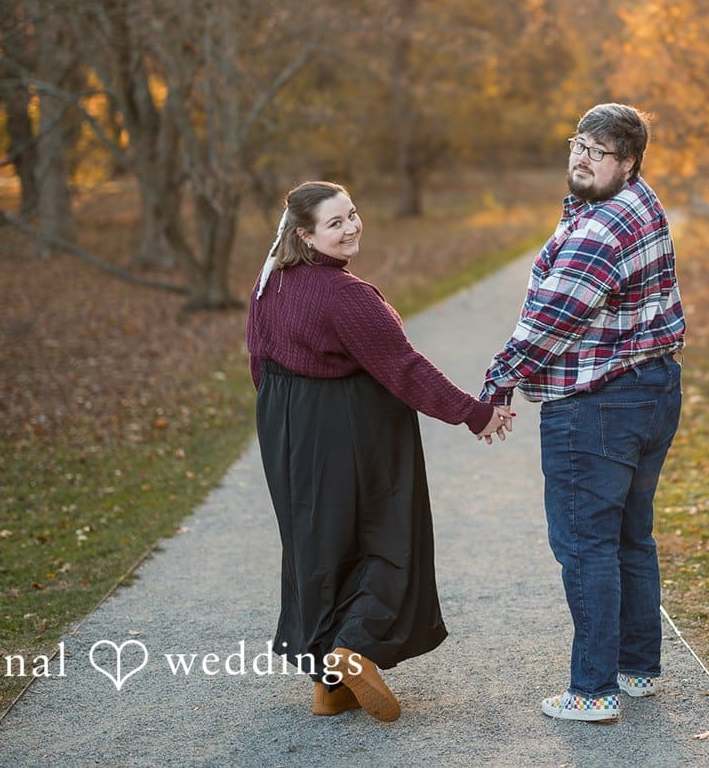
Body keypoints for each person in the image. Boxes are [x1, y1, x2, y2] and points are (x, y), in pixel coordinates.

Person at [246, 180, 512, 722]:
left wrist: (290, 428)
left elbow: (259, 362)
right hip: (351, 426)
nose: (350, 228)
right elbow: (403, 368)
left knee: (316, 544)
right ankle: (354, 647)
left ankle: (328, 684)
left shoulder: (270, 284)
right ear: (305, 234)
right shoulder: (344, 295)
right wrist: (475, 412)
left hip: (287, 430)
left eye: (352, 215)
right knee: (385, 530)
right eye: (335, 223)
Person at [480, 103, 685, 724]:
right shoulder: (638, 201)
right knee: (628, 535)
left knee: (585, 544)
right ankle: (637, 669)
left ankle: (593, 691)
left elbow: (552, 321)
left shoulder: (601, 229)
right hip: (652, 391)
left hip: (598, 406)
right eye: (577, 144)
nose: (582, 158)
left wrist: (499, 381)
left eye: (598, 153)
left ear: (629, 162)